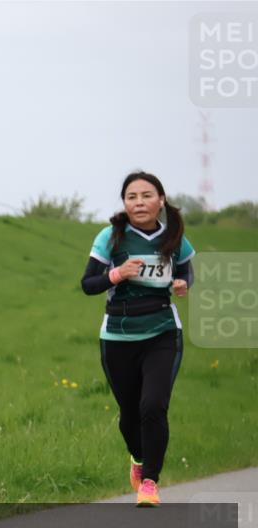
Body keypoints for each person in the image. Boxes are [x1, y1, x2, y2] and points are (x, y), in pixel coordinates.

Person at [81, 171, 195, 507]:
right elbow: (88, 284)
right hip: (117, 334)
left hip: (162, 332)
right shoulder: (111, 236)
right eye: (132, 197)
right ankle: (137, 457)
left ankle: (150, 482)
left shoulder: (174, 235)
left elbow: (186, 269)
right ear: (125, 203)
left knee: (153, 406)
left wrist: (183, 284)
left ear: (161, 199)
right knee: (129, 413)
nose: (139, 202)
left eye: (147, 195)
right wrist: (117, 274)